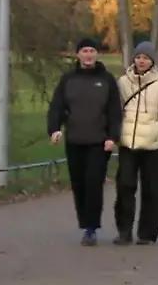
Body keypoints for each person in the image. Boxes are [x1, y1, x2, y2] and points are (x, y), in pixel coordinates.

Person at [46, 38, 123, 246]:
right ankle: (85, 223)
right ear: (78, 55)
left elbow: (115, 111)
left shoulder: (107, 80)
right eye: (84, 51)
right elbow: (57, 107)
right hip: (74, 140)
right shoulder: (68, 79)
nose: (88, 54)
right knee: (79, 185)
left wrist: (112, 137)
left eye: (92, 50)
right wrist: (54, 129)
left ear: (96, 54)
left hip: (98, 142)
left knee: (93, 184)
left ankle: (91, 228)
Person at [113, 42, 158, 246]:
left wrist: (151, 133)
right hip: (128, 143)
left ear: (152, 61)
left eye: (146, 58)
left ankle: (147, 234)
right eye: (138, 57)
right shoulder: (122, 82)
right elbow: (116, 110)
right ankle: (124, 231)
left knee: (152, 190)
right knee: (125, 187)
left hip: (151, 145)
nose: (141, 61)